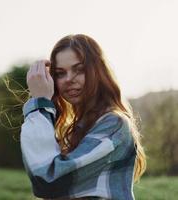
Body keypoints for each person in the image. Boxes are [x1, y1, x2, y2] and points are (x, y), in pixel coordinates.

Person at [20, 34, 146, 200]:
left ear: (98, 71)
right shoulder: (81, 127)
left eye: (79, 70)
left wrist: (39, 106)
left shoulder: (114, 124)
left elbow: (49, 180)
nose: (69, 79)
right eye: (60, 73)